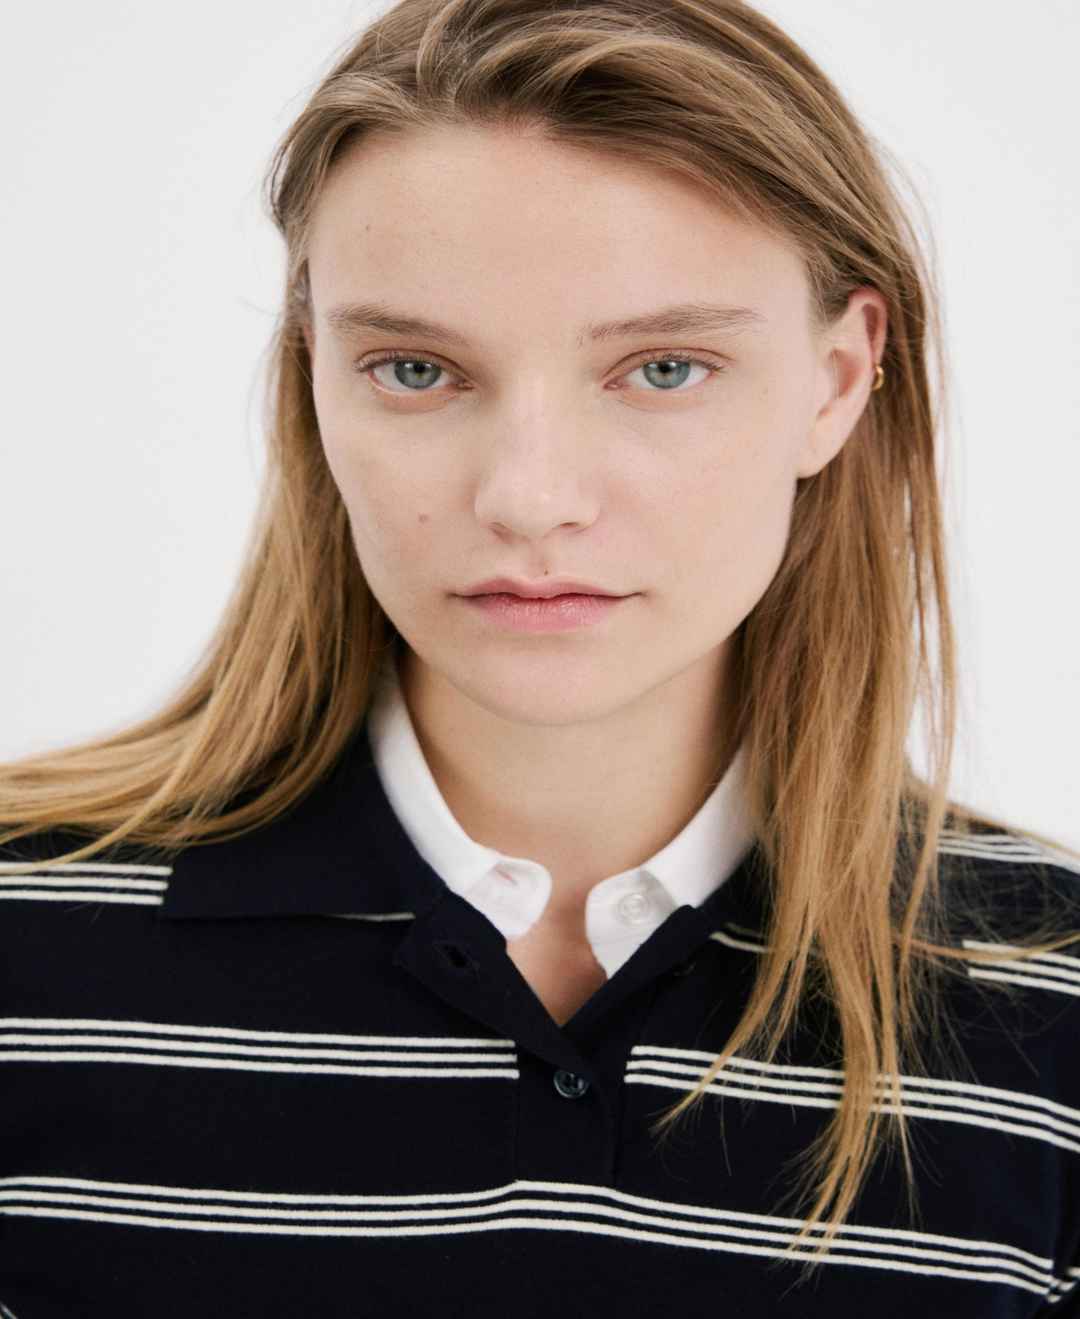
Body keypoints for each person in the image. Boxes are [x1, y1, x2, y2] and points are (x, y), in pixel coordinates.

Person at [2, 1, 1078, 1314]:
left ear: (838, 380)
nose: (529, 498)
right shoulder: (23, 951)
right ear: (314, 378)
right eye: (415, 369)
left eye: (664, 369)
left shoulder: (1052, 1004)